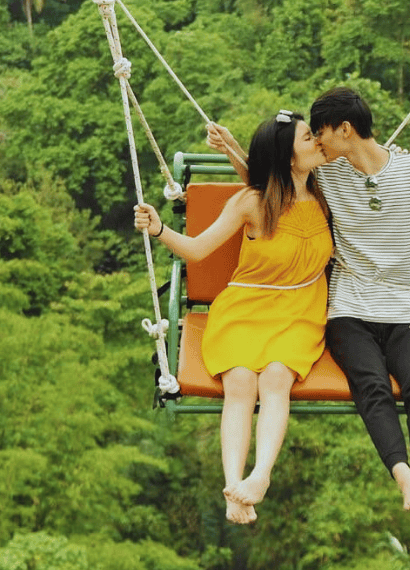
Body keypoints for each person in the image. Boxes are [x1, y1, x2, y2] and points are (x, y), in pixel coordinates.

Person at [207, 87, 410, 513]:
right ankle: (404, 478)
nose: (317, 144)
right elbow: (273, 178)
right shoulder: (328, 172)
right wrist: (232, 147)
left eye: (319, 133)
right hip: (346, 307)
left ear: (344, 130)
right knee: (372, 386)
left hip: (405, 306)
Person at [135, 111, 331, 525]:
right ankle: (234, 490)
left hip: (299, 311)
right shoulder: (252, 203)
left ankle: (260, 476)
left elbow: (283, 178)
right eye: (308, 138)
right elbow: (197, 249)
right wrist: (158, 231)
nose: (317, 141)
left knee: (276, 377)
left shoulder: (326, 190)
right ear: (287, 156)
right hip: (244, 309)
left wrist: (234, 152)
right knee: (240, 382)